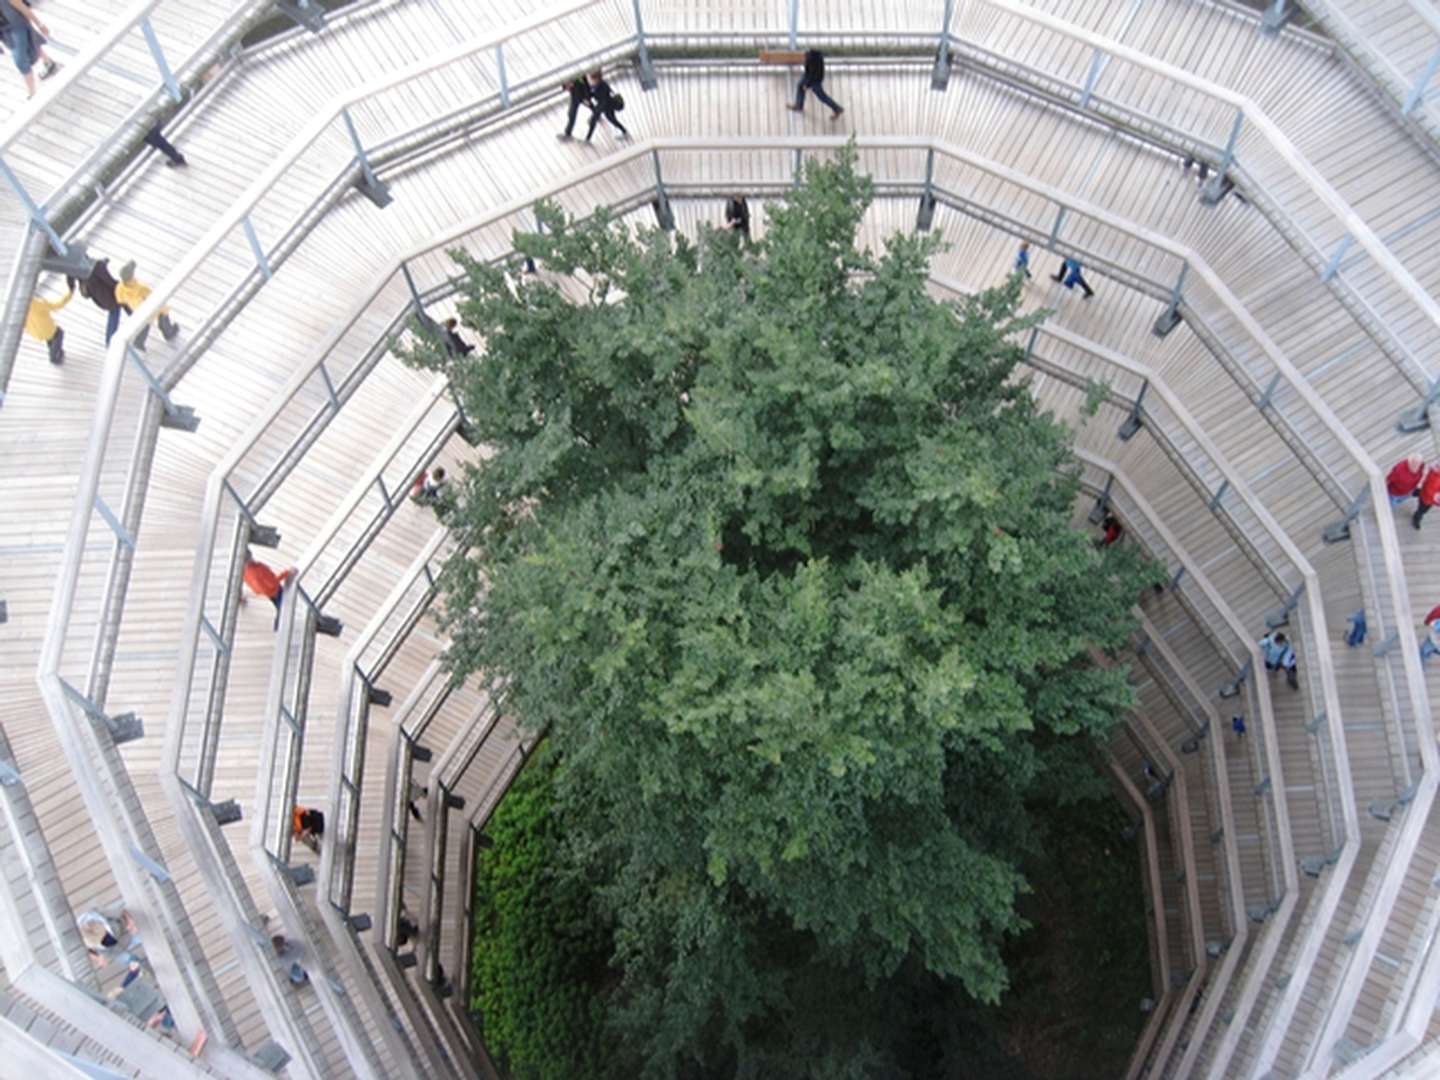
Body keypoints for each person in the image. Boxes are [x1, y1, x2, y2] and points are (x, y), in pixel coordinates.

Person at [115, 260, 180, 350]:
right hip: (150, 309)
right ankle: (169, 333)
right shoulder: (141, 289)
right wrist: (165, 308)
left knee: (145, 325)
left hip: (137, 309)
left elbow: (120, 300)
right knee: (163, 317)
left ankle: (139, 342)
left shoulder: (119, 288)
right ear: (131, 276)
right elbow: (155, 299)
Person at [1, 0, 59, 100]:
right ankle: (49, 63)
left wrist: (40, 25)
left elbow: (23, 7)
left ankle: (32, 93)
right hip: (4, 31)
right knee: (30, 44)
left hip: (17, 26)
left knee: (20, 60)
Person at [74, 258, 128, 346]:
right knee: (124, 305)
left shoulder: (81, 275)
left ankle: (109, 342)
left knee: (114, 314)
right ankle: (111, 341)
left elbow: (86, 295)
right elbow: (109, 281)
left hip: (102, 300)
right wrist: (120, 285)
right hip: (111, 296)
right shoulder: (97, 266)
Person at [242, 550, 296, 630]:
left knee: (280, 607)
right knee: (282, 608)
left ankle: (278, 627)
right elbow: (273, 582)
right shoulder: (258, 570)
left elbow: (257, 588)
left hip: (269, 593)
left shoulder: (245, 572)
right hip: (275, 591)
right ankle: (279, 628)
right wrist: (287, 573)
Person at [25, 280, 73, 365]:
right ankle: (54, 357)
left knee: (51, 339)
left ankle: (55, 351)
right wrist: (70, 293)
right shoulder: (37, 303)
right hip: (48, 330)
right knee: (59, 333)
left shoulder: (20, 308)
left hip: (36, 333)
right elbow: (58, 305)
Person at [787, 48, 843, 118]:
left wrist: (807, 84)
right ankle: (799, 105)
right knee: (800, 85)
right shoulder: (817, 56)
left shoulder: (811, 59)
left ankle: (837, 108)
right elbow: (810, 71)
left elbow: (812, 73)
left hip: (815, 80)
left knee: (822, 96)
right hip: (813, 77)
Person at [584, 70, 628, 142]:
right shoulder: (599, 85)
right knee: (611, 119)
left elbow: (603, 98)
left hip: (606, 105)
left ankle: (587, 138)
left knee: (596, 120)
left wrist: (597, 110)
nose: (591, 81)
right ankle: (624, 131)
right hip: (606, 106)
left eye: (592, 79)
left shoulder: (602, 85)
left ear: (596, 78)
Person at [557, 75, 591, 141]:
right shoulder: (573, 81)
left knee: (572, 114)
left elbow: (586, 87)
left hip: (580, 97)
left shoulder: (579, 80)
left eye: (567, 87)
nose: (567, 89)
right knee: (571, 114)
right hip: (577, 97)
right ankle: (568, 132)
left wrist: (587, 98)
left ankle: (568, 132)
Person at [1412, 464, 1440, 530]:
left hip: (1430, 499)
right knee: (1421, 510)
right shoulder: (1433, 476)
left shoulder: (1435, 474)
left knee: (1424, 510)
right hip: (1425, 498)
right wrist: (1436, 500)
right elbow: (1429, 490)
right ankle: (1416, 519)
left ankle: (1417, 515)